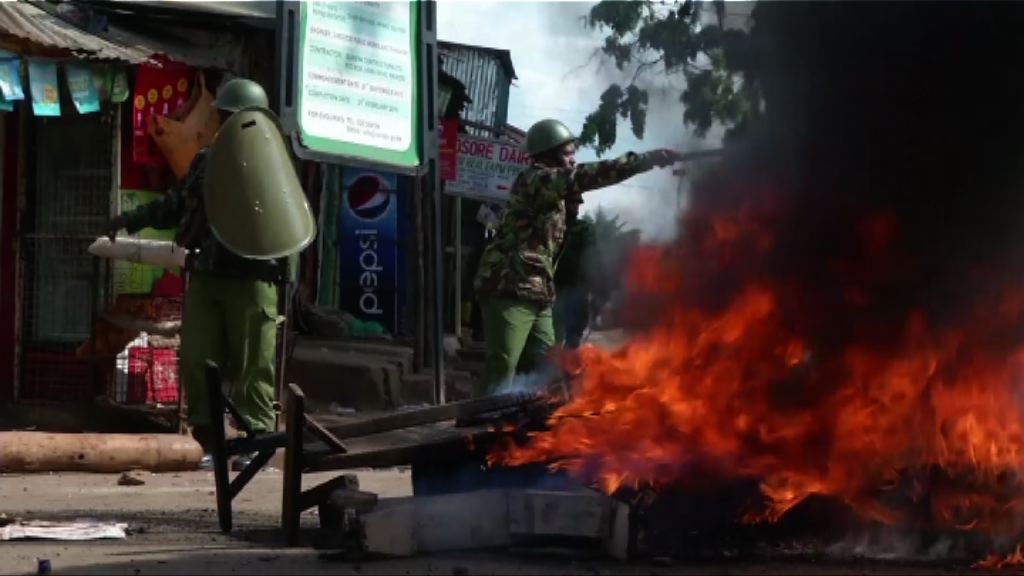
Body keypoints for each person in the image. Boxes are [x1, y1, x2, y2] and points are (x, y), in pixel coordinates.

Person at [107, 78, 294, 470]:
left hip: (252, 278)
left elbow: (288, 221)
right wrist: (130, 220)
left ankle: (256, 440)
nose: (226, 124)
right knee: (198, 360)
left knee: (252, 364)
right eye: (224, 117)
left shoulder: (272, 164)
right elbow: (175, 206)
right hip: (208, 274)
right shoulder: (205, 162)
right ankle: (211, 441)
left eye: (233, 117)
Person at [473, 118, 682, 395]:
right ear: (549, 154)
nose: (573, 160)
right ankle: (478, 428)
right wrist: (645, 160)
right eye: (568, 154)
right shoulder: (535, 179)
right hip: (509, 285)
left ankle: (522, 425)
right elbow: (586, 176)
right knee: (503, 364)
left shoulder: (557, 195)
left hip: (538, 291)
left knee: (548, 366)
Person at [553, 195, 595, 349]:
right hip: (555, 285)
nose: (576, 207)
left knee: (574, 332)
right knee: (554, 329)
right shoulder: (552, 226)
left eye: (577, 204)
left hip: (577, 287)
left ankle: (567, 365)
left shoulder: (584, 228)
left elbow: (591, 256)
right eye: (572, 203)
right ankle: (550, 366)